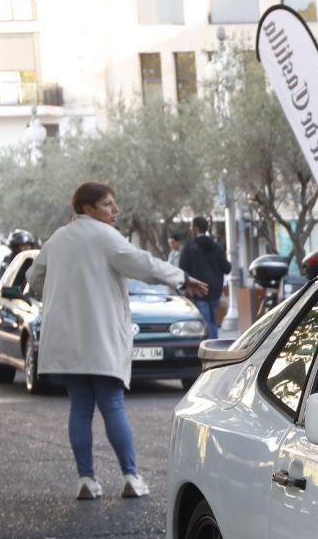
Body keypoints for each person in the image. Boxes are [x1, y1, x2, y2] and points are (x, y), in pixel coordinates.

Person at [28, 181, 207, 500]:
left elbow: (34, 279)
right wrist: (182, 279)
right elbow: (143, 264)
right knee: (111, 404)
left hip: (65, 339)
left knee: (79, 408)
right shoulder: (105, 236)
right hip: (101, 336)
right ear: (88, 208)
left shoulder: (57, 239)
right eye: (108, 204)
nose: (116, 209)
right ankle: (131, 476)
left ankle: (86, 478)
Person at [177, 216, 232, 338]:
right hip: (216, 291)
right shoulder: (217, 247)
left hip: (198, 291)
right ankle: (214, 345)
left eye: (191, 226)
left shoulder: (189, 248)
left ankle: (210, 347)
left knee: (206, 322)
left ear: (196, 228)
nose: (190, 228)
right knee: (212, 321)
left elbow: (183, 270)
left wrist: (186, 288)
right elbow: (227, 268)